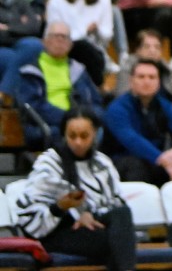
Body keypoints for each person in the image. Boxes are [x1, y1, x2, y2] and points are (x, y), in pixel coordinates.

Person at [13, 108, 137, 271]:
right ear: (64, 135)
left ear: (95, 135)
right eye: (72, 136)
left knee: (122, 214)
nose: (78, 142)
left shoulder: (102, 163)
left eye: (84, 136)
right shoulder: (49, 163)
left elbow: (115, 203)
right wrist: (64, 208)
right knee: (118, 242)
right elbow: (32, 214)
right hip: (54, 231)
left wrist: (89, 215)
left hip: (94, 226)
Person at [104, 59, 172, 185]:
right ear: (131, 81)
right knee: (135, 164)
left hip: (156, 161)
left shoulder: (164, 105)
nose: (146, 81)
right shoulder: (117, 108)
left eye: (152, 77)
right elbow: (132, 141)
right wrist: (163, 160)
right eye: (141, 77)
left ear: (159, 82)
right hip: (121, 161)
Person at [15, 21, 105, 147]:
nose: (60, 41)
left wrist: (88, 118)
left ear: (70, 45)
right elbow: (32, 106)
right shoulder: (30, 72)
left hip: (80, 122)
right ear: (44, 41)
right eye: (55, 36)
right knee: (66, 135)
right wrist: (70, 118)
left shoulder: (79, 70)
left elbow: (96, 102)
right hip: (46, 126)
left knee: (99, 131)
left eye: (65, 37)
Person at [46, 0, 115, 85]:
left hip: (95, 49)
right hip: (64, 48)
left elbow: (107, 35)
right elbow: (53, 33)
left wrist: (97, 30)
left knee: (89, 51)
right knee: (81, 47)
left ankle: (94, 92)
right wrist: (85, 31)